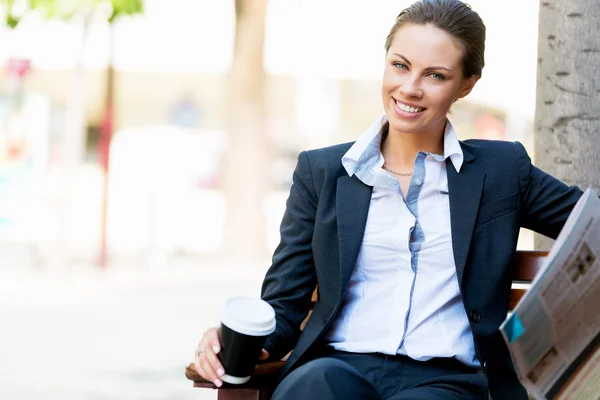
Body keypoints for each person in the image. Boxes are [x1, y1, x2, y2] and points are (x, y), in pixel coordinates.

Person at [194, 1, 584, 399]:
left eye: (435, 75)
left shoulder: (502, 172)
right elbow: (283, 303)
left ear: (466, 85)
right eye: (400, 65)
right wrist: (231, 343)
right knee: (316, 386)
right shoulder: (323, 173)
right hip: (336, 370)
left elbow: (590, 222)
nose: (410, 88)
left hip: (445, 382)